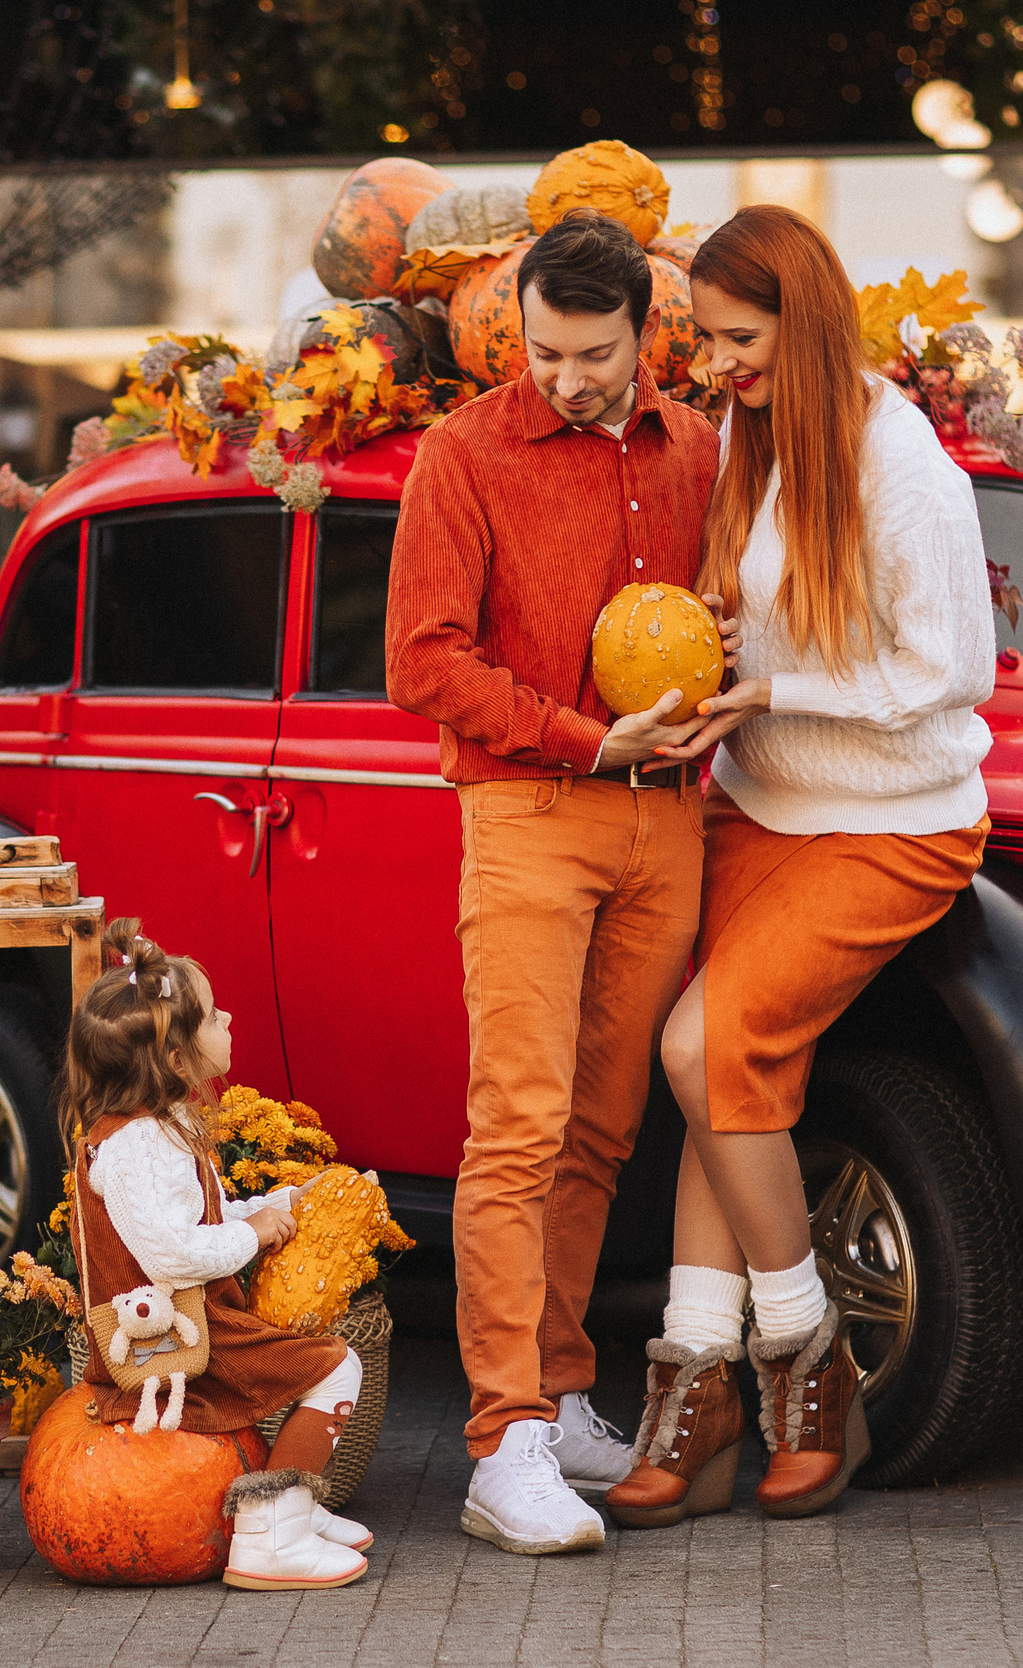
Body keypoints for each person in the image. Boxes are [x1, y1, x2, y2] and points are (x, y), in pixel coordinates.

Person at [601, 205, 994, 1528]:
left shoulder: (905, 470)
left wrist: (769, 689)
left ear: (806, 320)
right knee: (729, 1079)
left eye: (738, 338)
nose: (716, 365)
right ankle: (701, 1382)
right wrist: (709, 640)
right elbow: (759, 619)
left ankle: (801, 1352)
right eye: (704, 341)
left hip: (895, 821)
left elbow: (950, 673)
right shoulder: (753, 446)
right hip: (760, 809)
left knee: (705, 1049)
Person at [386, 209, 727, 1555]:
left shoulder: (696, 445)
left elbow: (722, 610)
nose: (565, 378)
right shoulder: (465, 451)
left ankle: (568, 1388)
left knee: (603, 1125)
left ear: (652, 336)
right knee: (517, 1126)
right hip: (530, 805)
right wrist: (590, 734)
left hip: (667, 815)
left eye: (593, 354)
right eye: (544, 350)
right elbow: (423, 660)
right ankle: (502, 1438)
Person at [62, 918, 373, 1590]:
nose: (228, 1015)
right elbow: (173, 1253)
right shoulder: (137, 1146)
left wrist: (282, 1205)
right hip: (172, 1334)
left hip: (193, 1315)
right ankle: (271, 1529)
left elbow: (196, 1217)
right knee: (336, 1369)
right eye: (212, 1014)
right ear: (176, 1058)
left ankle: (296, 1508)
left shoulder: (161, 1127)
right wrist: (254, 1234)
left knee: (319, 1366)